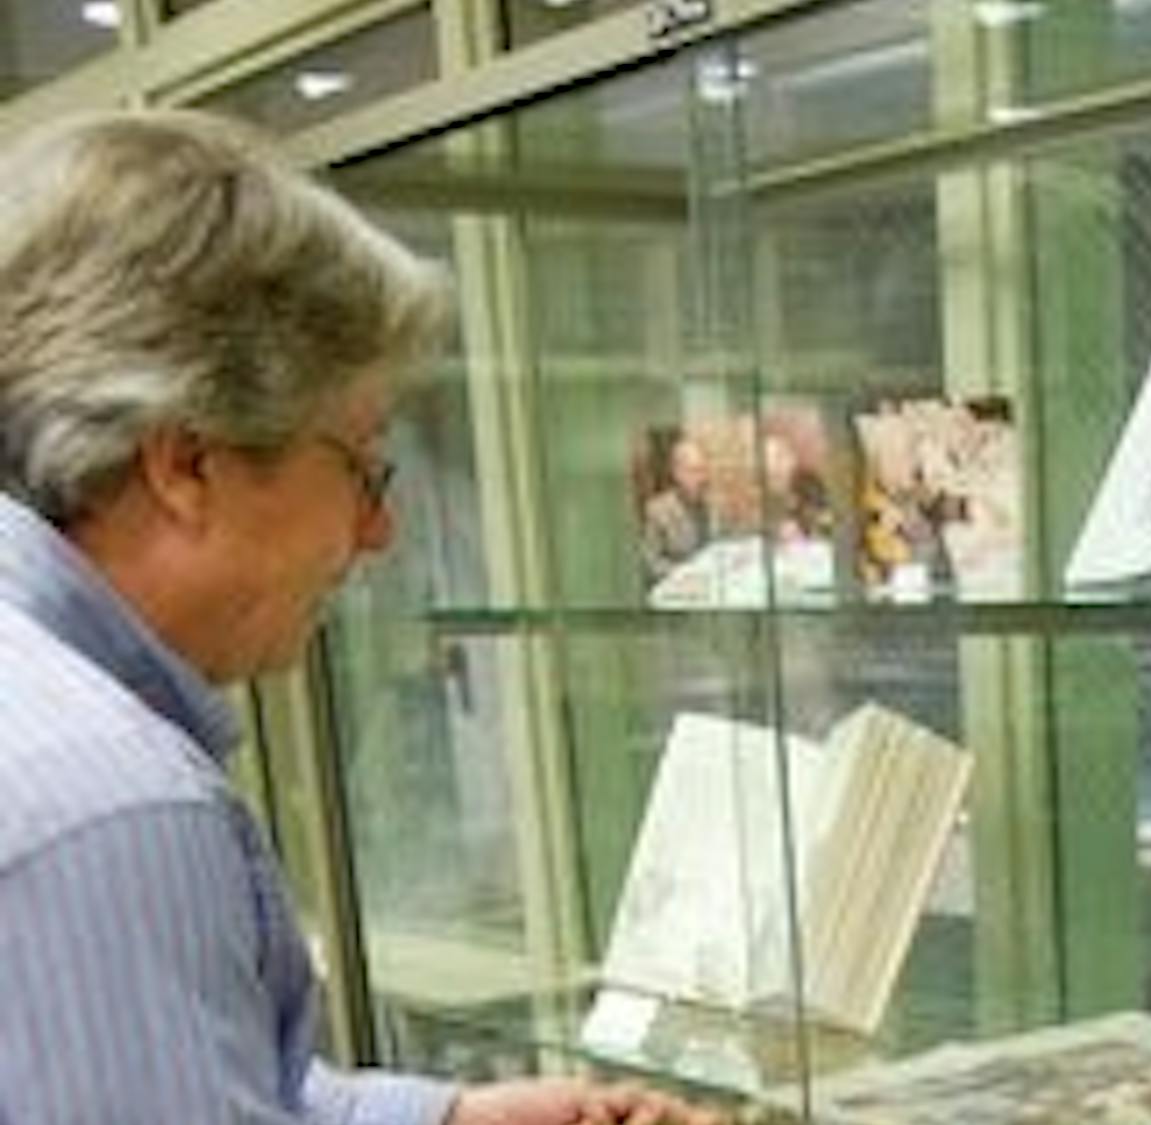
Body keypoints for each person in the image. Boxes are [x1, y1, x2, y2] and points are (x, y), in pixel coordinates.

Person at [0, 110, 720, 1125]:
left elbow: (175, 1075)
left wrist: (451, 1119)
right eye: (359, 463)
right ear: (186, 463)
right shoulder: (111, 811)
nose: (378, 531)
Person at [641, 430, 712, 583]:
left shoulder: (705, 505)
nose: (702, 478)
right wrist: (684, 573)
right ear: (677, 473)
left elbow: (713, 544)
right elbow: (651, 564)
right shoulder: (658, 510)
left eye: (704, 470)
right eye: (694, 471)